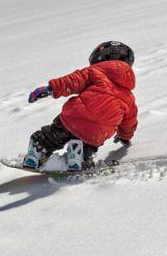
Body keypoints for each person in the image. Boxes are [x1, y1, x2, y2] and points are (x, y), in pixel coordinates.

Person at [23, 41, 138, 171]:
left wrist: (51, 88)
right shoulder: (129, 97)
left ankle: (37, 151)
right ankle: (78, 157)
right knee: (87, 144)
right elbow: (130, 122)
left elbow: (73, 81)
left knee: (53, 136)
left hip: (74, 117)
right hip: (98, 131)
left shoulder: (94, 71)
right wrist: (125, 136)